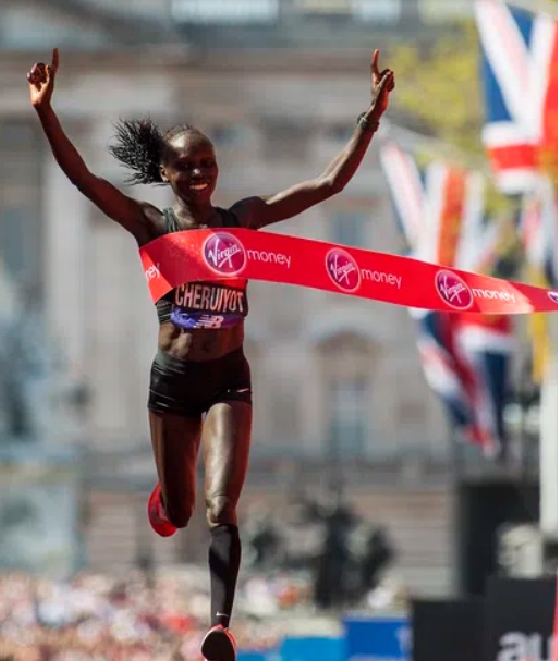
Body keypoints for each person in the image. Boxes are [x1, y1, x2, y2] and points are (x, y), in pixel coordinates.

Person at [27, 47, 394, 660]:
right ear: (166, 174)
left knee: (223, 508)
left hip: (228, 379)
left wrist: (370, 118)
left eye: (208, 163)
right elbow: (84, 179)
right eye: (188, 166)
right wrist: (45, 112)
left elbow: (326, 185)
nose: (201, 174)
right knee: (181, 507)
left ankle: (219, 626)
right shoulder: (150, 224)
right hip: (172, 383)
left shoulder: (242, 219)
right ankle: (164, 501)